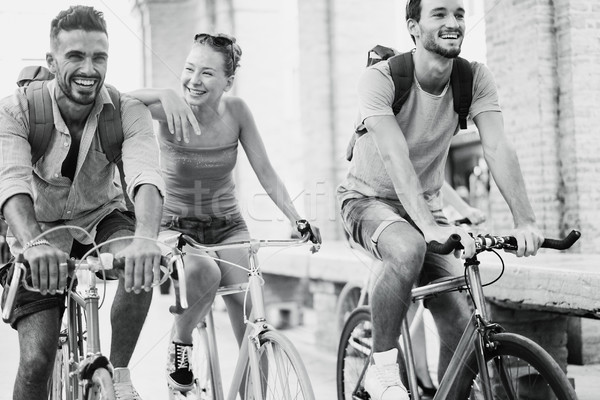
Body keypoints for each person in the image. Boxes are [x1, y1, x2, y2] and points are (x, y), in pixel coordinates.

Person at [337, 0, 544, 399]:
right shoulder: (380, 80)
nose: (453, 22)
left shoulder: (475, 79)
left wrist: (526, 221)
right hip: (365, 200)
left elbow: (498, 147)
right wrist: (429, 226)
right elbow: (396, 155)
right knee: (408, 246)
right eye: (439, 14)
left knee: (459, 324)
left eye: (460, 13)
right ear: (413, 27)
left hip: (425, 209)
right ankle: (382, 368)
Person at [127, 33, 321, 393]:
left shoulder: (238, 111)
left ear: (228, 81)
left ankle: (256, 393)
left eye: (207, 73)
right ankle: (181, 342)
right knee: (204, 271)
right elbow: (118, 103)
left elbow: (265, 171)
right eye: (188, 69)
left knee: (251, 316)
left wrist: (297, 218)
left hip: (228, 226)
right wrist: (163, 93)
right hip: (175, 226)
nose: (193, 81)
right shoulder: (168, 109)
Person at [0, 6, 165, 400]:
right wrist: (34, 244)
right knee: (37, 358)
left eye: (99, 57)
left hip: (100, 219)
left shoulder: (128, 112)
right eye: (75, 56)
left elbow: (145, 175)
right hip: (38, 230)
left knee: (141, 258)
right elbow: (12, 182)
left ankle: (118, 378)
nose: (89, 68)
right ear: (51, 61)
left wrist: (146, 237)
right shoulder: (17, 109)